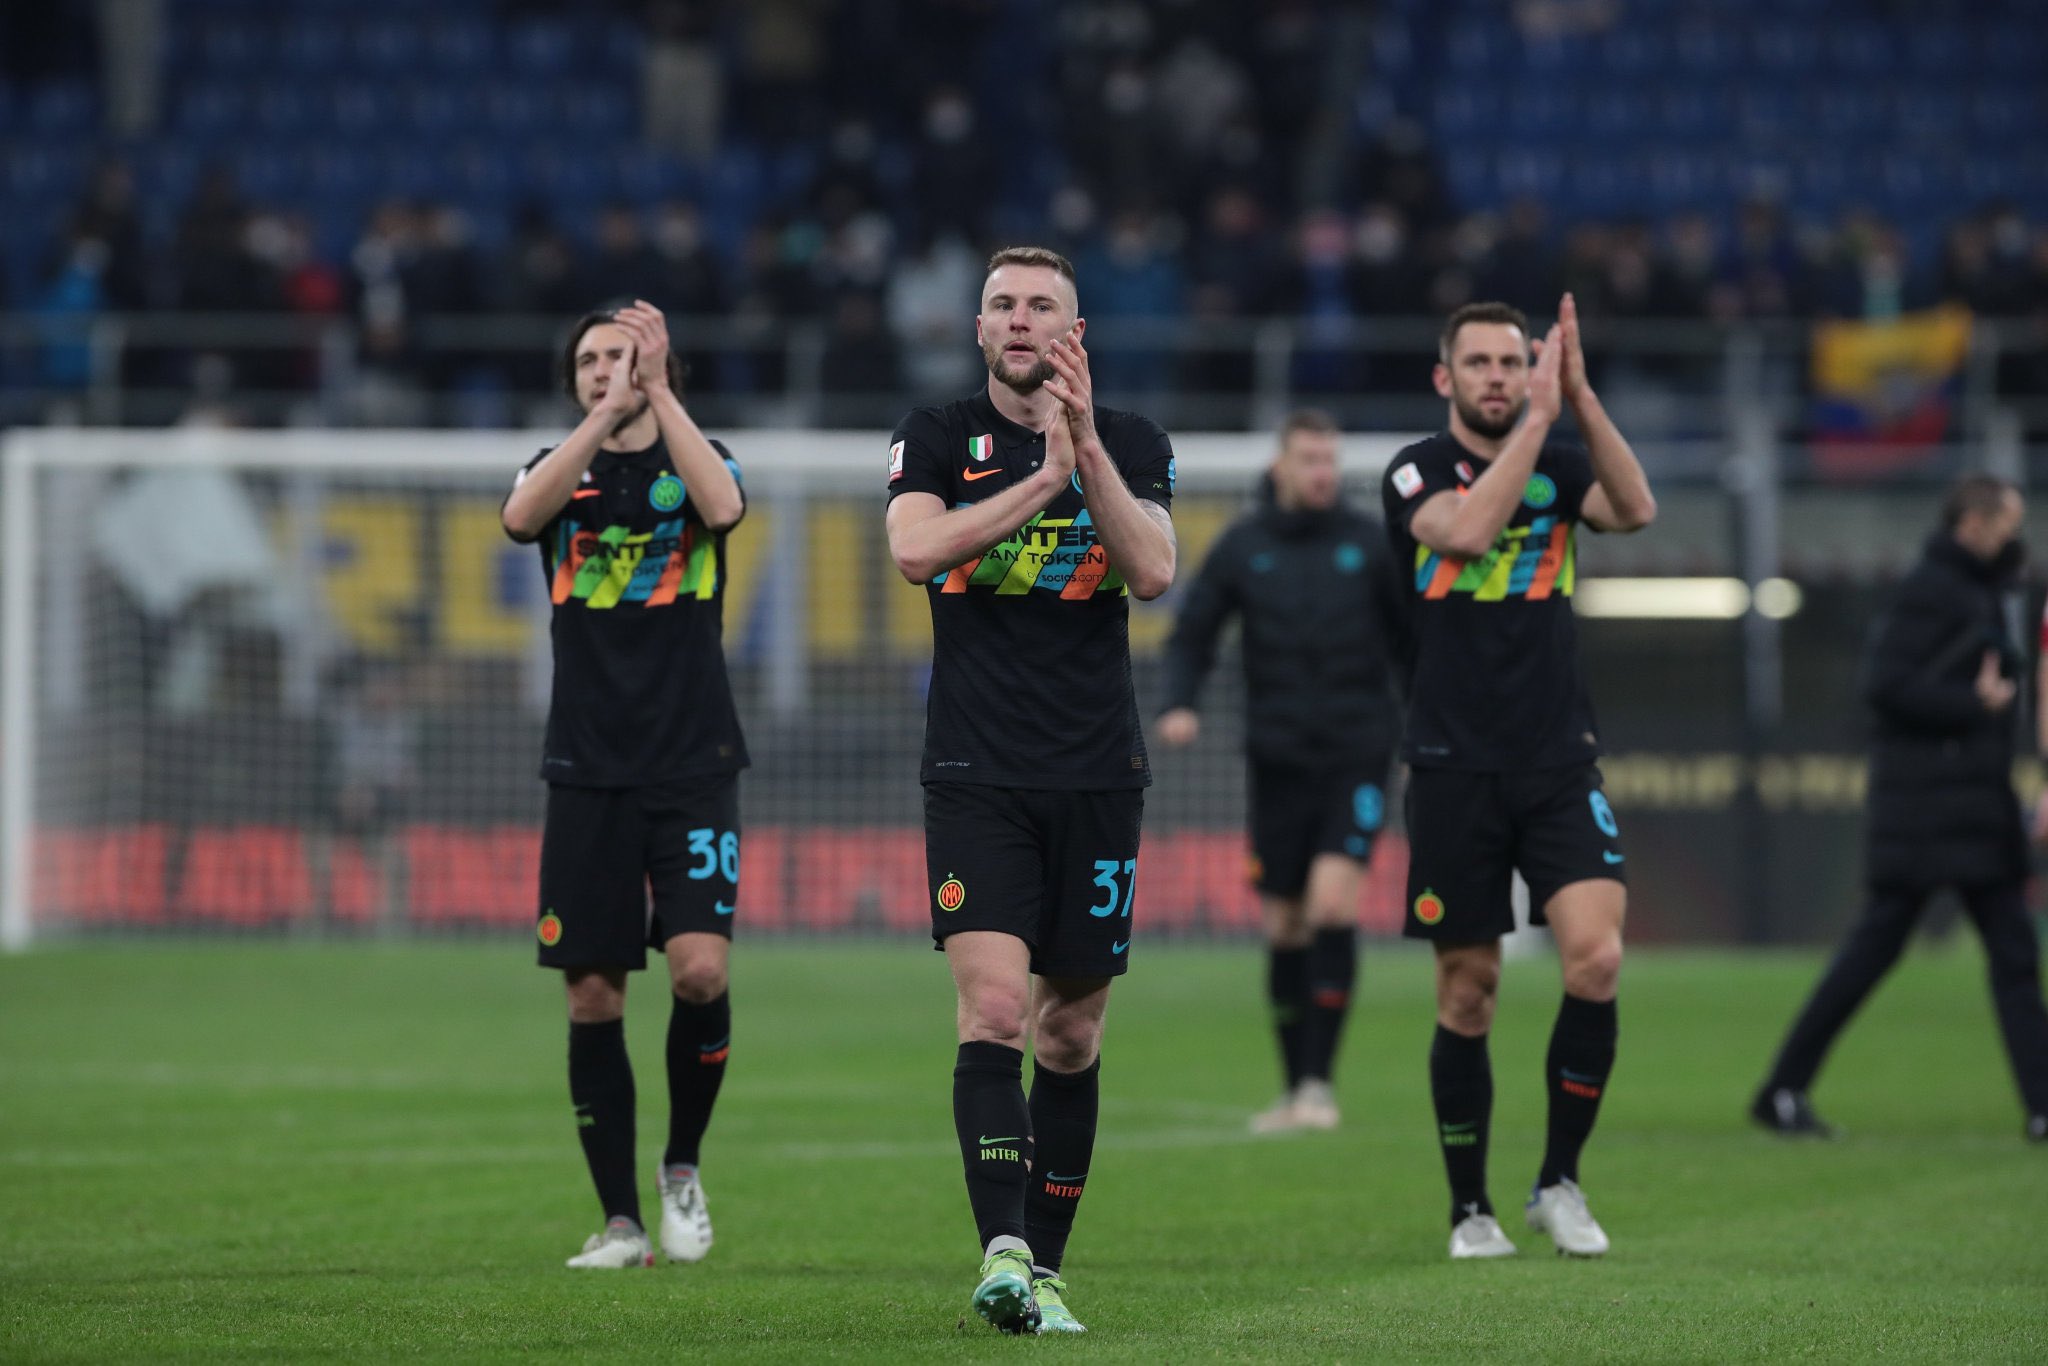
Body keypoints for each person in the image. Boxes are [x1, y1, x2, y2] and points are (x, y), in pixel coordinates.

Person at [885, 246, 1177, 1334]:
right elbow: (916, 552)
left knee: (1071, 1032)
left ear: (1073, 334)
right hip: (975, 770)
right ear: (977, 329)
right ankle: (1002, 1251)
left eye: (1039, 306)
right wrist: (1040, 482)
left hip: (1098, 770)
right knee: (997, 1009)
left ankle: (1045, 1270)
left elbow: (1150, 570)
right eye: (1000, 304)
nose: (1017, 320)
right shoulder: (932, 436)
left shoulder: (1137, 443)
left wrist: (1084, 451)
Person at [1379, 296, 1656, 1260]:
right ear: (1444, 377)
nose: (1500, 377)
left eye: (1514, 362)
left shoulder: (1559, 452)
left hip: (1557, 759)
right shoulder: (1413, 470)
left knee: (1599, 959)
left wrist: (1576, 399)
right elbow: (1459, 536)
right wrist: (1539, 423)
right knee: (1469, 993)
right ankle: (1470, 1209)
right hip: (1454, 767)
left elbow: (1634, 509)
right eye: (1483, 363)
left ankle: (1560, 1182)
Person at [500, 301, 749, 1269]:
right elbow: (519, 516)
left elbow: (722, 508)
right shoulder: (556, 469)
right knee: (593, 995)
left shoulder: (701, 457)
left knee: (700, 970)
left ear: (660, 364)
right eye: (590, 360)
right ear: (572, 382)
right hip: (587, 769)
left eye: (624, 354)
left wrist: (658, 395)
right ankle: (619, 1221)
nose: (607, 368)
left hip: (693, 763)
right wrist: (603, 419)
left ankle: (680, 1166)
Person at [1752, 475, 2048, 1142]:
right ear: (1971, 523)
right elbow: (1884, 687)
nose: (2014, 539)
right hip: (1929, 812)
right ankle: (1781, 1089)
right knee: (1884, 954)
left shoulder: (1977, 589)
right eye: (2006, 524)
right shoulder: (1932, 590)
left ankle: (2042, 1104)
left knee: (2010, 954)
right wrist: (1974, 705)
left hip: (1971, 805)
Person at [1156, 409, 1408, 1134]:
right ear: (1281, 468)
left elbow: (1411, 645)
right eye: (1310, 460)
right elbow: (1193, 634)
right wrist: (1180, 703)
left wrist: (1426, 733)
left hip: (1358, 754)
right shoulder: (1244, 546)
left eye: (1330, 460)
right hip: (1276, 761)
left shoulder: (1370, 544)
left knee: (1332, 907)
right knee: (1286, 926)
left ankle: (1321, 1085)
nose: (1322, 473)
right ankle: (1295, 1086)